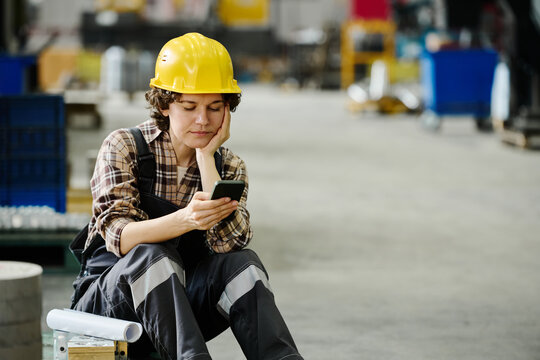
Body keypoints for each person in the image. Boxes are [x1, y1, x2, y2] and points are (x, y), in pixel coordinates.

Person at [70, 32, 303, 360]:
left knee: (243, 265)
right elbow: (119, 236)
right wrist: (185, 219)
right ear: (165, 104)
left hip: (174, 313)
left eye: (214, 107)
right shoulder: (125, 147)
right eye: (190, 106)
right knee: (153, 257)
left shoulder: (229, 166)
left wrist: (207, 158)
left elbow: (229, 243)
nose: (203, 120)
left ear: (228, 110)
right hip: (108, 307)